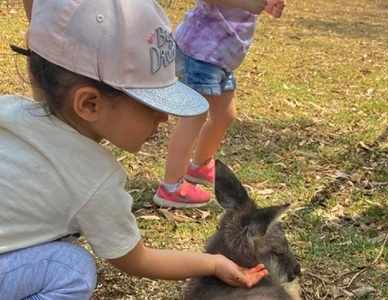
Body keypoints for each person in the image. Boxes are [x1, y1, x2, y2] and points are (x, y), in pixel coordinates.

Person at [0, 1, 268, 299]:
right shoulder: (93, 177)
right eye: (151, 105)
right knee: (71, 267)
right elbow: (136, 259)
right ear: (90, 104)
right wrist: (214, 263)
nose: (164, 117)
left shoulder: (9, 109)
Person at [153, 0, 285, 208]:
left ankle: (199, 165)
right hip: (200, 53)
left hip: (221, 58)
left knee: (225, 115)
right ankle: (171, 187)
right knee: (194, 116)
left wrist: (266, 5)